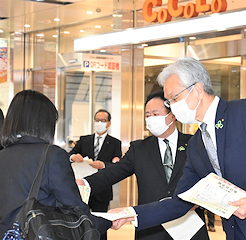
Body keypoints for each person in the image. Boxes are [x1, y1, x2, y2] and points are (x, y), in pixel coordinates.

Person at [111, 57, 246, 240]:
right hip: (238, 232)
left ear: (197, 89)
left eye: (174, 98)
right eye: (169, 101)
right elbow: (181, 200)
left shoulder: (244, 112)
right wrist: (132, 213)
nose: (172, 106)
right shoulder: (196, 144)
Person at [77, 91, 209, 240]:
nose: (150, 119)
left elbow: (208, 178)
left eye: (155, 114)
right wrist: (86, 182)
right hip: (151, 228)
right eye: (147, 115)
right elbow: (113, 172)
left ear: (172, 116)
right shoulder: (139, 149)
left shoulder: (194, 144)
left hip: (189, 226)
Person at [0, 90, 113, 236]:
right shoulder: (51, 155)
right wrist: (108, 221)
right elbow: (75, 208)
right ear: (43, 123)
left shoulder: (3, 155)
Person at [69, 109, 122, 240]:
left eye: (103, 121)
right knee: (81, 222)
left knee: (101, 225)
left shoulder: (115, 143)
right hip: (83, 189)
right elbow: (70, 154)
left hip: (102, 190)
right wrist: (74, 157)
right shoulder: (84, 140)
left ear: (109, 123)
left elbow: (119, 165)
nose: (99, 123)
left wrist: (103, 165)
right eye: (97, 120)